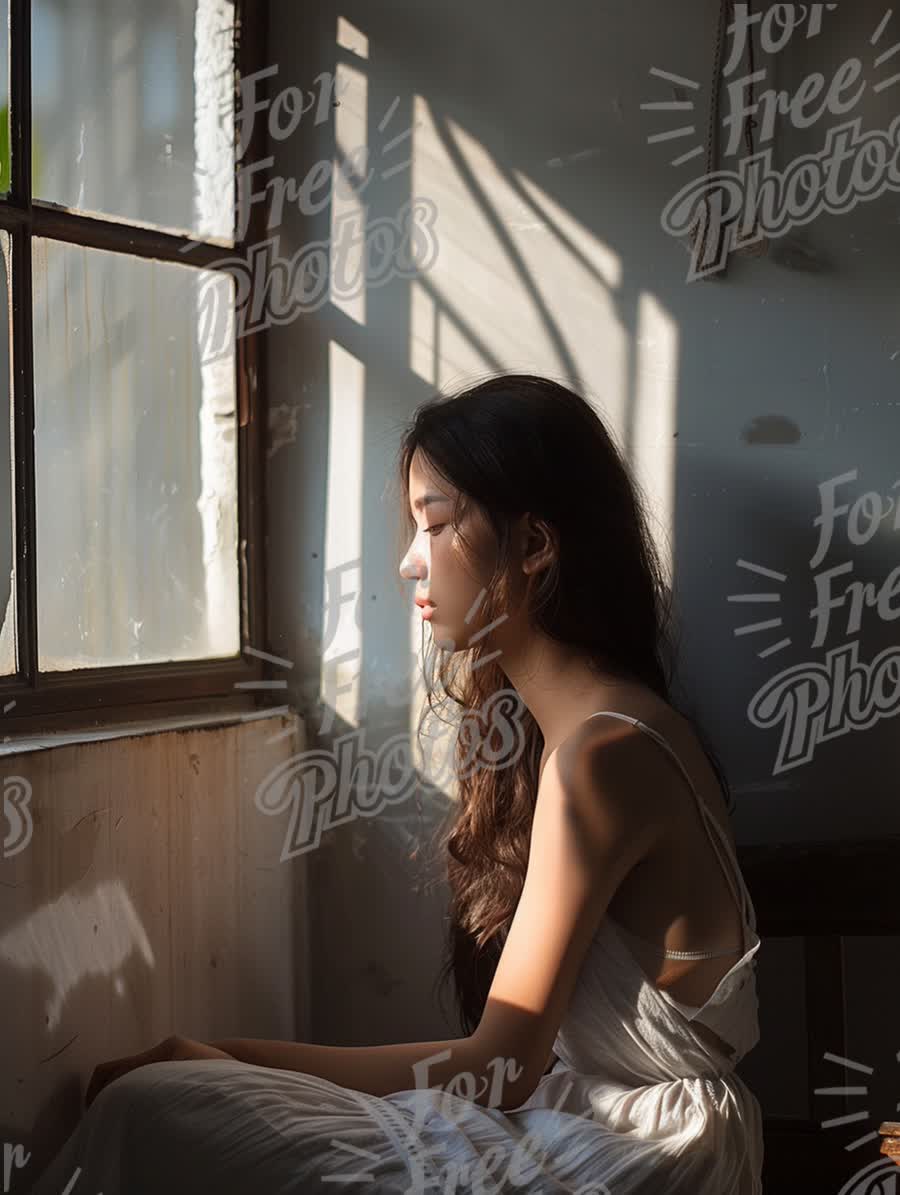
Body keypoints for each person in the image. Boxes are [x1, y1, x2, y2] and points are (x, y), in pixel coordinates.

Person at [28, 373, 763, 1194]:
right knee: (158, 1102)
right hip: (587, 1119)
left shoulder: (603, 754)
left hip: (642, 1155)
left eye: (435, 523)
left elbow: (501, 1066)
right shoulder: (580, 735)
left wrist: (229, 1054)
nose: (408, 560)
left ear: (533, 546)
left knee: (156, 1104)